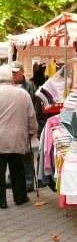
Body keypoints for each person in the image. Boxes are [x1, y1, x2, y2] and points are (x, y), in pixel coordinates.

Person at [0, 64, 38, 209]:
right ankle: (20, 197)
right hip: (18, 137)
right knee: (18, 168)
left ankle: (1, 201)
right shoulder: (23, 94)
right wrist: (32, 132)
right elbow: (31, 116)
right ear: (11, 77)